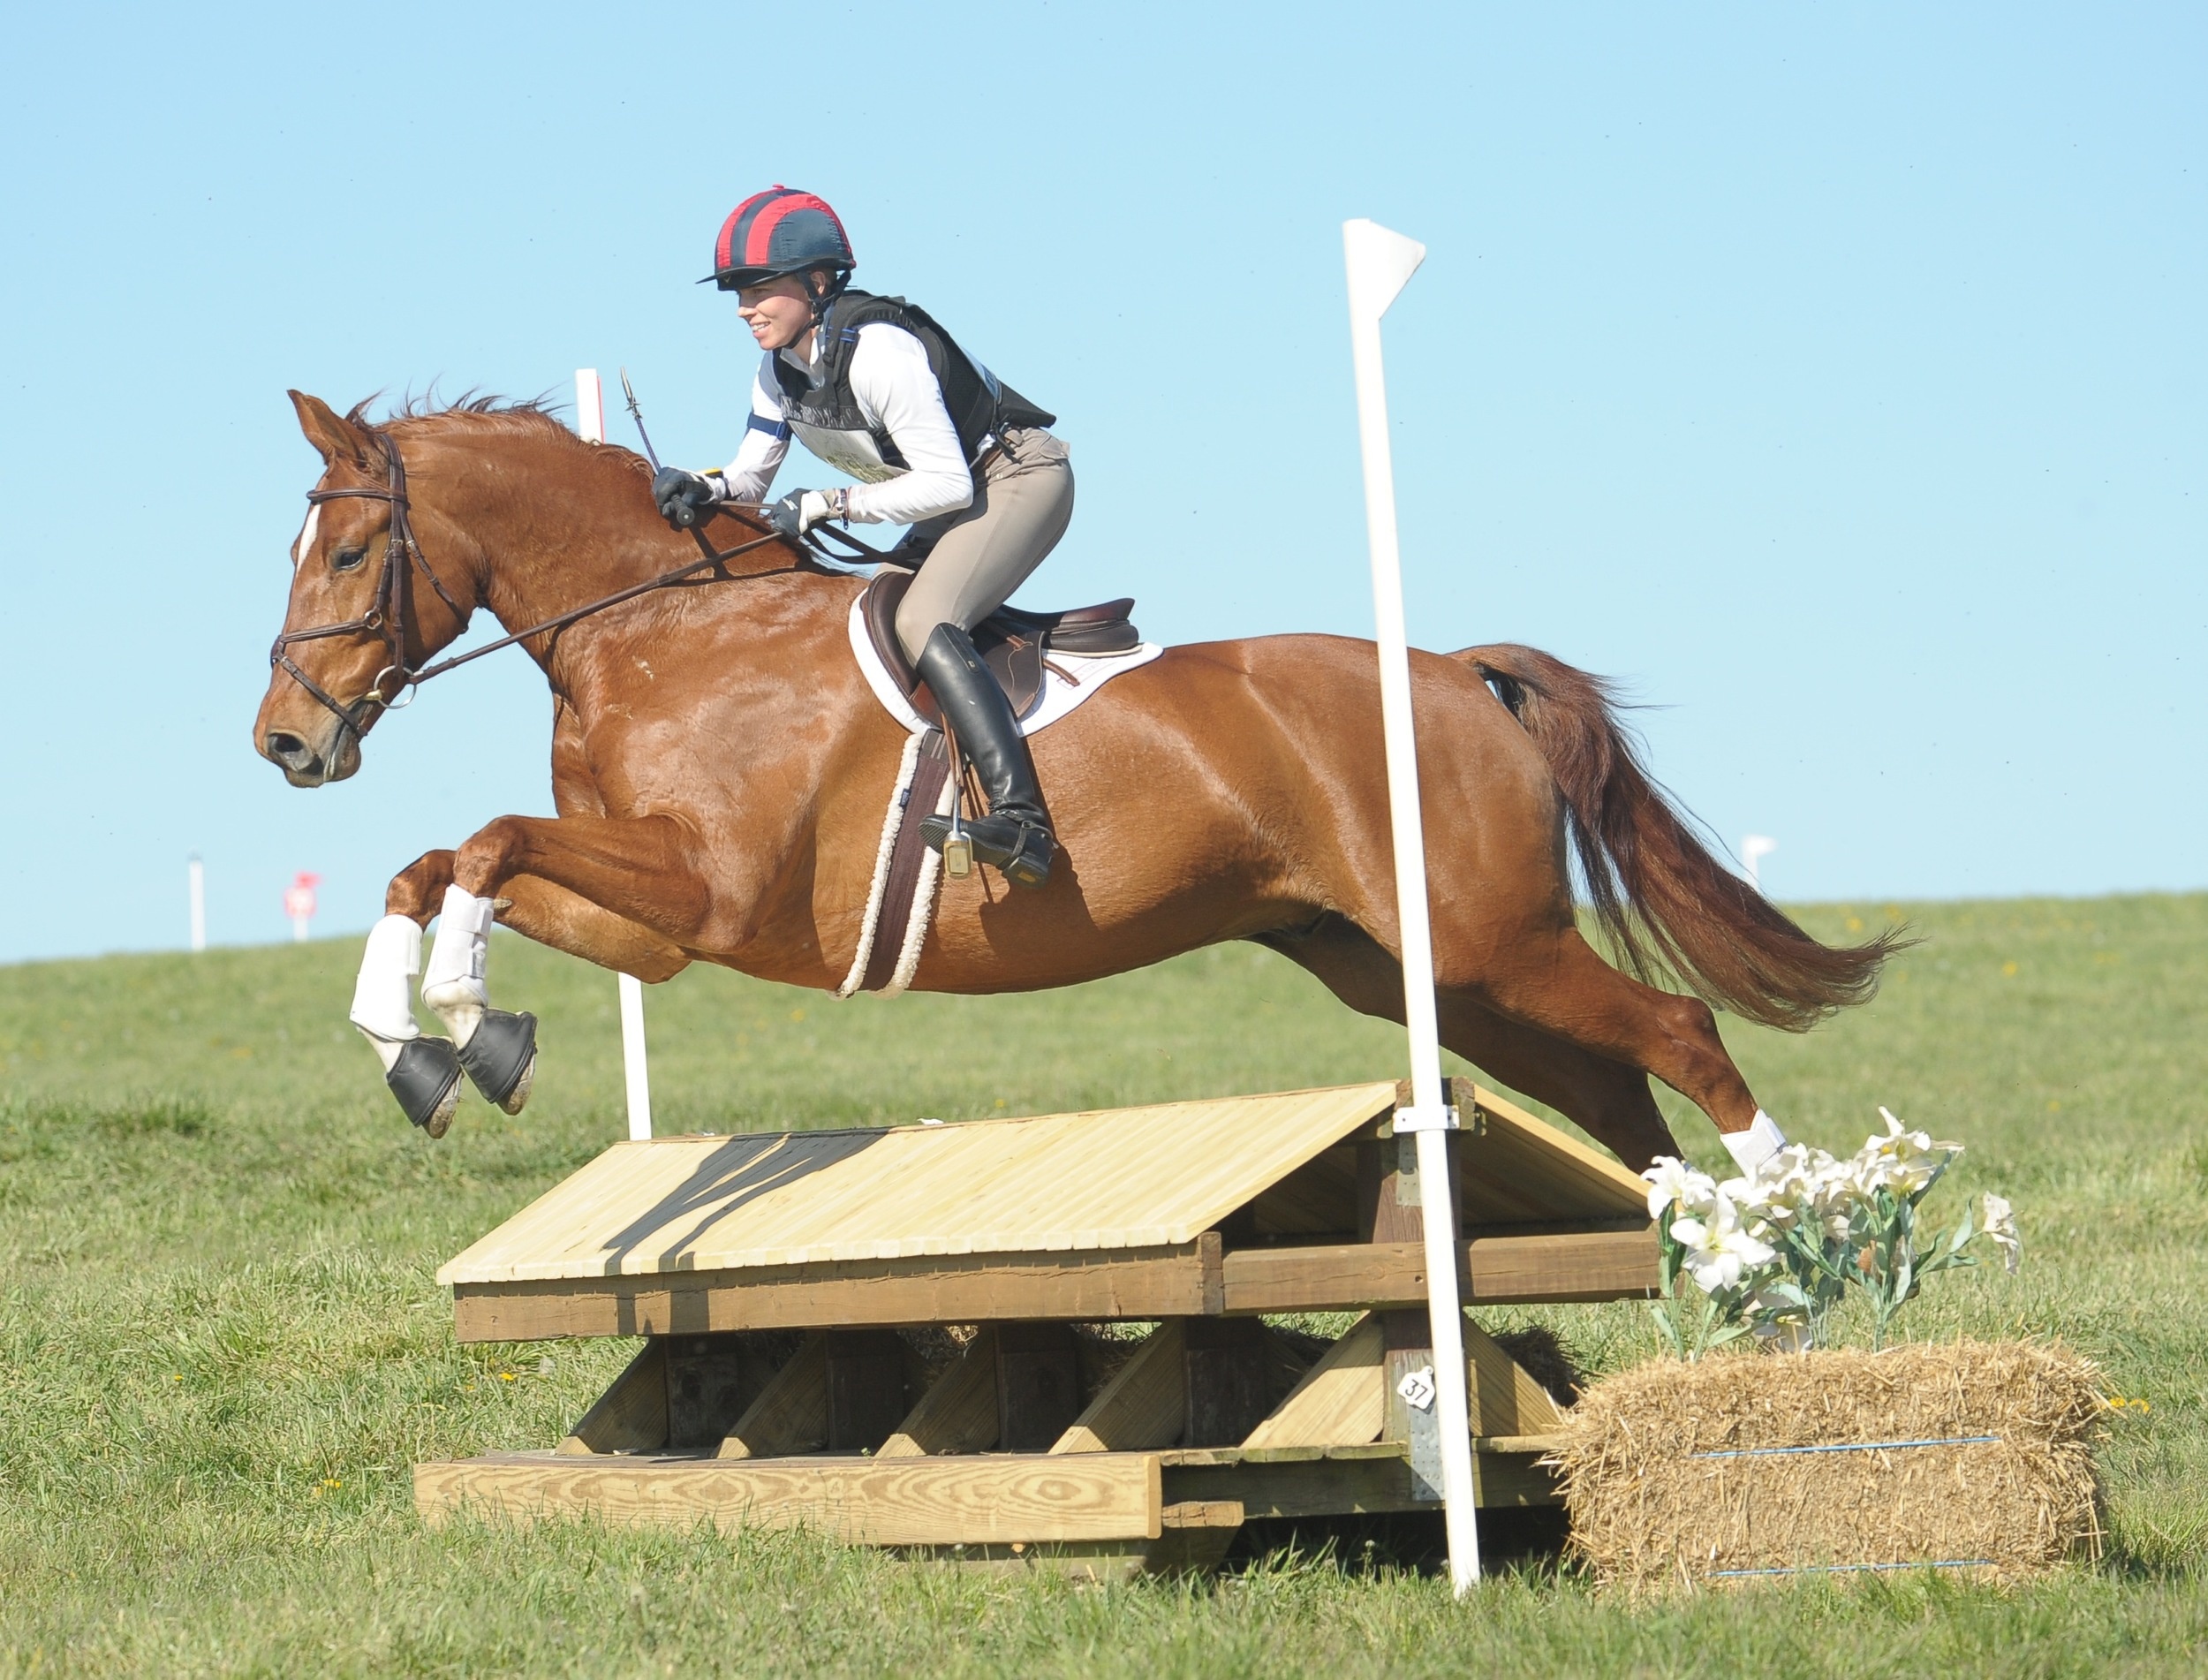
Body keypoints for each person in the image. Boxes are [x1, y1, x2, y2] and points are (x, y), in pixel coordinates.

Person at [650, 186, 1070, 889]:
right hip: (949, 490)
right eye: (736, 292)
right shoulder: (777, 371)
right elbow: (751, 478)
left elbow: (948, 486)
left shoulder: (879, 353)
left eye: (758, 289)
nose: (744, 308)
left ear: (817, 283)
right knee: (863, 625)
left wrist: (828, 502)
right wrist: (705, 486)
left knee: (924, 618)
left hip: (1017, 475)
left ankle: (1023, 822)